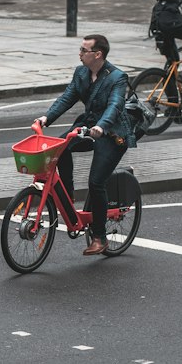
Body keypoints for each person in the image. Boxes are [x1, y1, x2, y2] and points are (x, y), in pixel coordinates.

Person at [35, 34, 134, 257]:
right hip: (87, 127)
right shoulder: (81, 72)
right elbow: (67, 97)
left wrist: (101, 126)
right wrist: (46, 118)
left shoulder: (117, 77)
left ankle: (100, 237)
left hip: (111, 133)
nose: (79, 54)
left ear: (97, 54)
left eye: (83, 50)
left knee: (96, 182)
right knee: (59, 149)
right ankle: (67, 199)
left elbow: (115, 105)